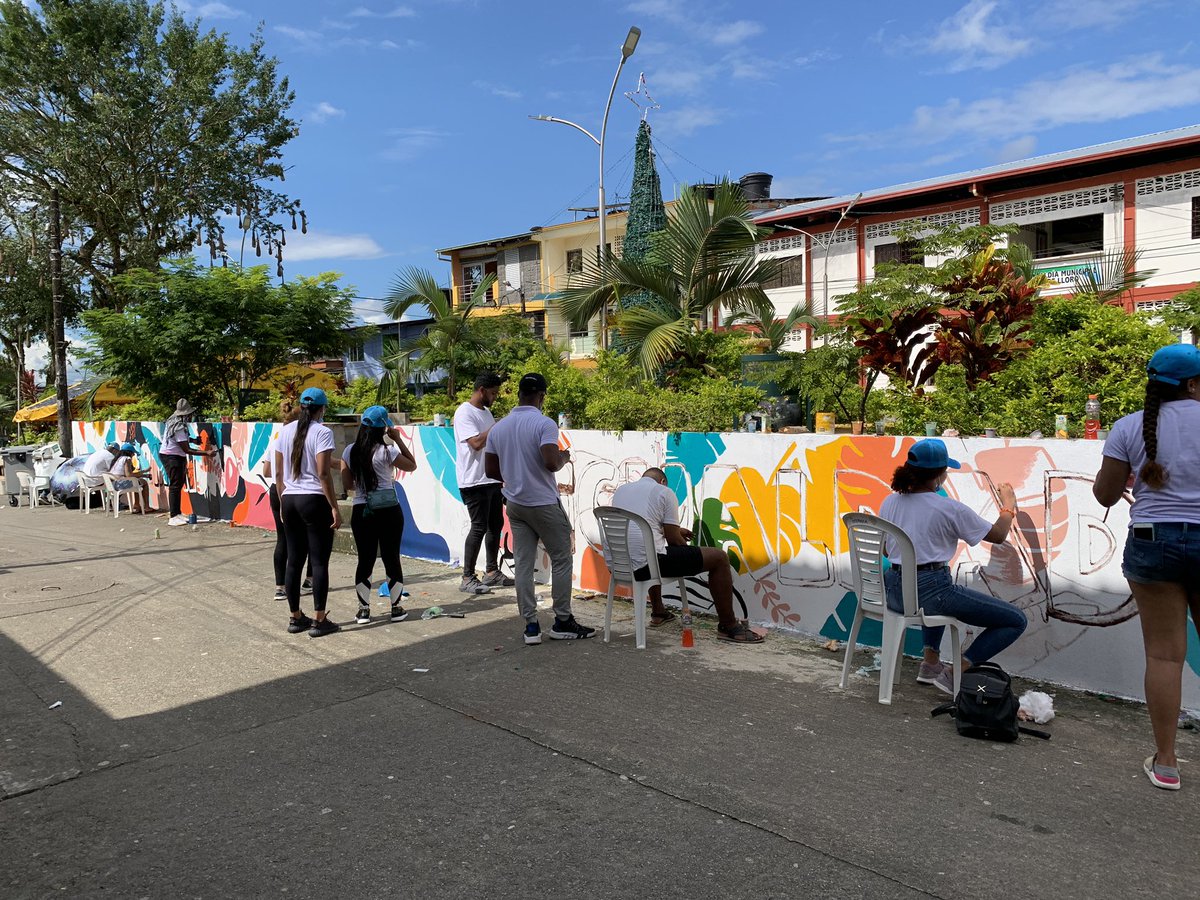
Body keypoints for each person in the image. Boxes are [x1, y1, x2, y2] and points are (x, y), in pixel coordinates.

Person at [1093, 343, 1200, 791]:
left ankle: (1167, 763)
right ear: (1192, 384)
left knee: (1164, 655)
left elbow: (1104, 494)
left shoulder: (1128, 427)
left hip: (1152, 543)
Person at [879, 438, 1027, 696]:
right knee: (1016, 620)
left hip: (893, 590)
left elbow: (886, 550)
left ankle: (930, 665)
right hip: (930, 592)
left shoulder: (890, 502)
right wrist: (1008, 507)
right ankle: (956, 670)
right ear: (939, 475)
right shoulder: (948, 508)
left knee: (930, 597)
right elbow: (998, 535)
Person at [484, 372, 594, 645]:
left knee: (523, 565)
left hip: (515, 504)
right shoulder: (544, 424)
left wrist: (515, 477)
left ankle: (531, 626)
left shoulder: (499, 427)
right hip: (543, 503)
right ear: (541, 396)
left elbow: (490, 470)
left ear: (519, 394)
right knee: (561, 558)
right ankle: (562, 621)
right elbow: (550, 462)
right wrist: (564, 457)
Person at [610, 468, 763, 643]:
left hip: (618, 565)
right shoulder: (664, 492)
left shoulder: (621, 491)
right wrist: (685, 547)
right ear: (662, 482)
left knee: (652, 551)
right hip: (646, 566)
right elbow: (673, 541)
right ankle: (728, 625)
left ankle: (659, 612)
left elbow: (640, 529)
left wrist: (671, 530)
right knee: (719, 558)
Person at [275, 387, 342, 638]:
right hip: (313, 499)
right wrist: (334, 506)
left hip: (289, 498)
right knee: (318, 561)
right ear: (321, 409)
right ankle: (319, 619)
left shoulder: (285, 431)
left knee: (294, 560)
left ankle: (295, 617)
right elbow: (323, 473)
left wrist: (282, 502)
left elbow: (278, 473)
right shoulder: (322, 432)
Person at [341, 405, 417, 625]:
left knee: (365, 560)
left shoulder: (349, 451)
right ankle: (396, 608)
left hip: (362, 510)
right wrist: (398, 439)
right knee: (391, 558)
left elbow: (348, 485)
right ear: (383, 428)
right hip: (389, 509)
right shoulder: (387, 451)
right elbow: (411, 465)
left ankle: (363, 610)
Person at [454, 372, 512, 595]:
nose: (495, 397)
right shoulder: (464, 412)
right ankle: (467, 577)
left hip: (491, 479)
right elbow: (476, 443)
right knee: (478, 526)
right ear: (482, 390)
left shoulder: (486, 413)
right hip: (473, 481)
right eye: (493, 393)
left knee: (495, 525)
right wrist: (498, 426)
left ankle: (491, 571)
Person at [262, 399, 311, 602]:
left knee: (282, 538)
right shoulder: (302, 439)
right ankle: (308, 580)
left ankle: (280, 587)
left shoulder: (276, 440)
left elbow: (266, 471)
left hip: (276, 490)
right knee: (308, 537)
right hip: (298, 490)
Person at [160, 398, 217, 527]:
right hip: (172, 456)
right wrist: (206, 453)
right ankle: (173, 516)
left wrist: (193, 440)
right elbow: (186, 449)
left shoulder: (173, 421)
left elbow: (181, 439)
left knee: (178, 484)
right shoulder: (179, 426)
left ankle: (177, 513)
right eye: (190, 414)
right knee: (175, 486)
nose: (191, 416)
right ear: (185, 414)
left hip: (172, 455)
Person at [108, 441, 150, 513]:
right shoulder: (127, 459)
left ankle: (137, 505)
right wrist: (144, 473)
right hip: (119, 484)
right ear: (130, 452)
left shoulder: (117, 459)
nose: (133, 455)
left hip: (112, 484)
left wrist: (143, 474)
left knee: (137, 481)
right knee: (144, 482)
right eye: (133, 453)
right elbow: (129, 475)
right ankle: (146, 507)